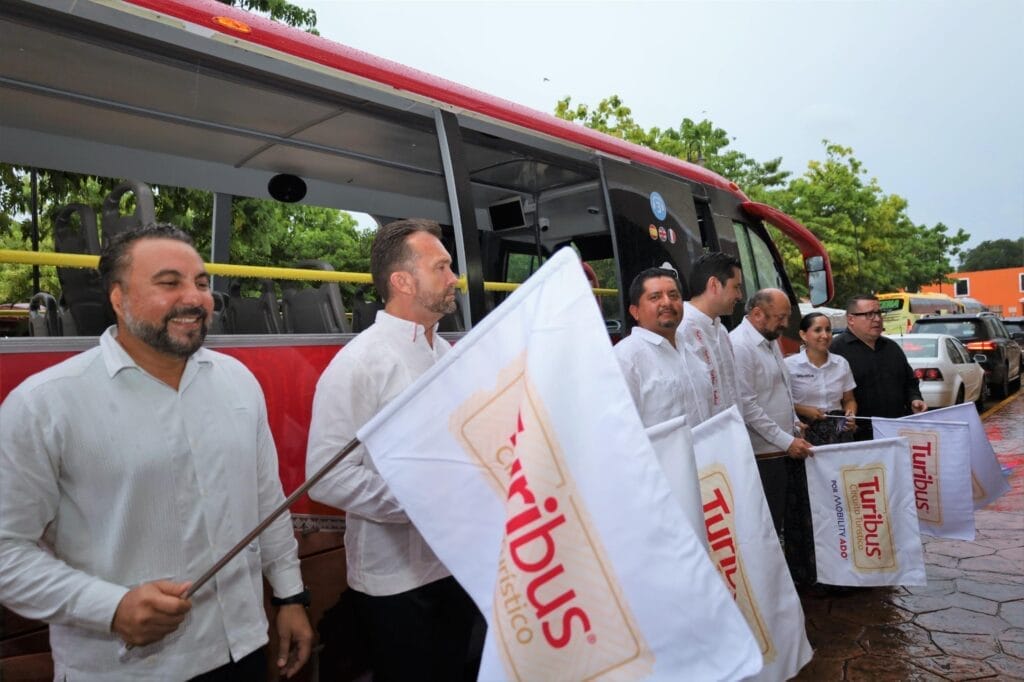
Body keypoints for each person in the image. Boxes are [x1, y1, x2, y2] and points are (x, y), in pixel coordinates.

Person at [0, 224, 313, 680]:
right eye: (169, 283)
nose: (195, 298)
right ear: (117, 298)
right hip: (123, 670)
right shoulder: (43, 404)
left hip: (243, 647)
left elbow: (268, 503)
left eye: (202, 283)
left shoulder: (238, 381)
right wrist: (112, 608)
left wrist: (289, 596)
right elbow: (7, 551)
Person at [305, 219, 483, 682]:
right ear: (402, 281)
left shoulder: (448, 354)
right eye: (441, 267)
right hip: (397, 582)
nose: (454, 278)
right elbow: (326, 476)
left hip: (456, 564)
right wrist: (420, 505)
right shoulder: (359, 363)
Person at [730, 289, 814, 541]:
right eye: (780, 317)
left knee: (785, 523)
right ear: (757, 314)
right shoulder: (740, 346)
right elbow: (748, 406)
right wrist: (786, 440)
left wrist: (793, 421)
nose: (785, 324)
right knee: (768, 528)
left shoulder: (769, 339)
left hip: (782, 446)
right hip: (763, 454)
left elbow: (779, 389)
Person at [783, 311, 858, 586]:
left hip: (837, 435)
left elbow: (849, 399)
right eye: (817, 330)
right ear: (803, 335)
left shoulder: (841, 364)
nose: (824, 335)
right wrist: (804, 411)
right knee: (806, 502)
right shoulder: (789, 366)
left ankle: (841, 572)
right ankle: (806, 573)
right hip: (805, 436)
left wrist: (850, 414)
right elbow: (782, 402)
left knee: (838, 501)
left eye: (827, 330)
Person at [614, 267, 711, 429]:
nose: (667, 302)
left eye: (673, 295)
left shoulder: (691, 349)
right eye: (655, 297)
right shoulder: (625, 359)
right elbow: (620, 430)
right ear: (635, 311)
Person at [830, 294, 926, 440]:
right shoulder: (836, 350)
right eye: (869, 314)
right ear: (851, 319)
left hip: (897, 432)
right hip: (858, 437)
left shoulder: (892, 348)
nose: (877, 319)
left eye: (879, 313)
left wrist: (914, 399)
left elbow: (910, 382)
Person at [679, 252, 746, 418]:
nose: (740, 296)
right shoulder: (682, 330)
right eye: (736, 287)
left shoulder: (720, 329)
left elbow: (732, 390)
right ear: (714, 285)